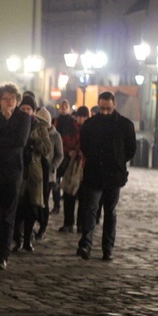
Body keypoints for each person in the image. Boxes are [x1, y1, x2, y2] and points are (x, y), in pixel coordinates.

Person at [76, 92, 136, 261]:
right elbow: (85, 145)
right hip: (94, 173)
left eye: (108, 109)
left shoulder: (125, 125)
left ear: (114, 105)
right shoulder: (90, 124)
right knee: (91, 209)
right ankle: (85, 244)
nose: (105, 112)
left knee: (110, 211)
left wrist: (118, 160)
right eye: (102, 108)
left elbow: (131, 149)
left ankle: (107, 248)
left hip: (113, 175)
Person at [0, 83, 32, 270]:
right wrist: (5, 134)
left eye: (12, 99)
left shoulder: (23, 118)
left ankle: (3, 255)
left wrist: (1, 136)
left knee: (8, 215)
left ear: (17, 100)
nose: (9, 102)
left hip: (12, 172)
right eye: (5, 99)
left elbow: (20, 141)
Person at [12, 95, 51, 252]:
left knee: (32, 208)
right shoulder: (14, 122)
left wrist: (35, 141)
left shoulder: (40, 126)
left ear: (34, 111)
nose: (26, 111)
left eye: (29, 109)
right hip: (17, 169)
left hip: (34, 172)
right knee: (16, 208)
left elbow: (47, 149)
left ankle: (28, 239)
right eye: (23, 108)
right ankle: (17, 239)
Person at [35, 107, 64, 241]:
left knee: (45, 201)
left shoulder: (55, 135)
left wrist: (52, 167)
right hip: (35, 173)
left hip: (49, 175)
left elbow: (59, 155)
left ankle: (43, 226)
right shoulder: (35, 132)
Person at [59, 106, 89, 233]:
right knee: (68, 194)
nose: (81, 119)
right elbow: (64, 142)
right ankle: (68, 222)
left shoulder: (90, 129)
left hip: (85, 166)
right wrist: (70, 151)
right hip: (71, 165)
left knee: (83, 197)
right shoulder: (71, 128)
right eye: (79, 116)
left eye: (83, 116)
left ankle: (81, 224)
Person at [52, 99, 76, 214]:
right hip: (57, 155)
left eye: (66, 106)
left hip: (68, 156)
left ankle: (67, 204)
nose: (64, 108)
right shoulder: (56, 121)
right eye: (62, 106)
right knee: (55, 182)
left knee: (67, 181)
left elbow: (74, 137)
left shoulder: (72, 122)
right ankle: (57, 205)